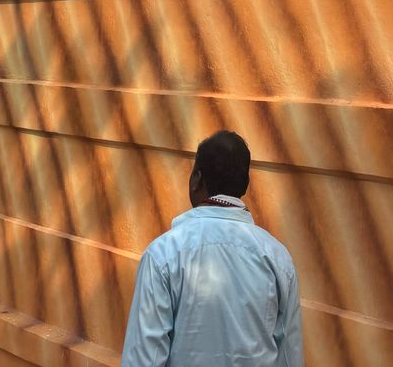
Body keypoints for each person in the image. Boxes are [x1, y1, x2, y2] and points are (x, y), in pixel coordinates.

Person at [120, 130, 302, 367]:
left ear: (196, 179)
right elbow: (289, 357)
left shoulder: (163, 255)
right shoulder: (278, 258)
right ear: (245, 185)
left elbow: (144, 359)